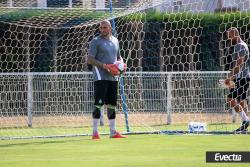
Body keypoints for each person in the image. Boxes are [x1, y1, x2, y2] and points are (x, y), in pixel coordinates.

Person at [87, 20, 126, 139]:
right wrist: (104, 66)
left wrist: (122, 65)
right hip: (100, 76)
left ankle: (113, 132)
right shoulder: (95, 41)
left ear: (110, 28)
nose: (102, 30)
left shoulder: (115, 40)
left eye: (105, 28)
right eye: (101, 28)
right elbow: (90, 60)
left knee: (112, 105)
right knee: (99, 104)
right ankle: (94, 132)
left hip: (113, 77)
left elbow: (119, 57)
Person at [224, 27, 250, 132]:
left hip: (241, 77)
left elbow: (239, 64)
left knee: (230, 99)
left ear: (235, 34)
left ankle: (246, 120)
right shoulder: (243, 45)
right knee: (242, 100)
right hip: (245, 76)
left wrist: (229, 77)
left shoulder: (239, 46)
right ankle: (245, 126)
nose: (229, 39)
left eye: (230, 36)